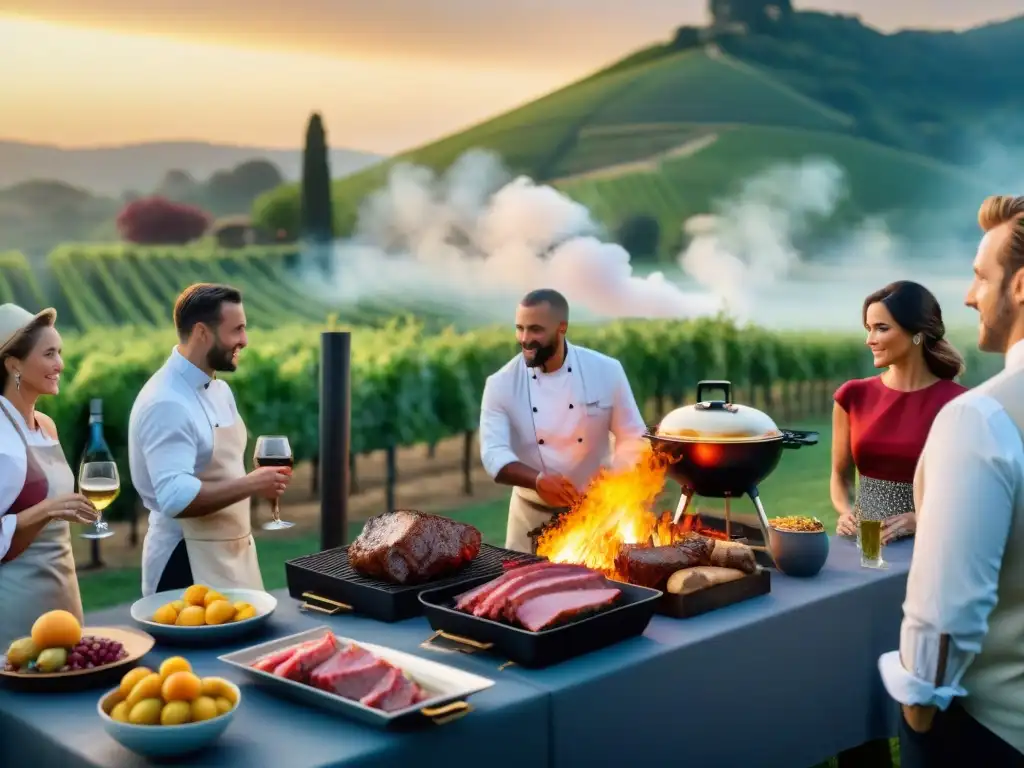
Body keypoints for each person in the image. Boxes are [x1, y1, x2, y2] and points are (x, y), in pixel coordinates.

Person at [878, 195, 1024, 766]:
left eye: (980, 277)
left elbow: (945, 611)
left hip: (992, 733)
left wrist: (918, 709)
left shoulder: (981, 419)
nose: (969, 296)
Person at [129, 284, 291, 597]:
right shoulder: (167, 402)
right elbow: (175, 498)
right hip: (186, 562)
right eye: (237, 330)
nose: (244, 340)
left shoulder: (219, 389)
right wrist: (253, 483)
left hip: (234, 554)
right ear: (203, 333)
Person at [478, 288, 647, 554]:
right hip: (530, 518)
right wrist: (538, 481)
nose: (525, 339)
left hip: (595, 516)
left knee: (603, 589)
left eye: (535, 329)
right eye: (519, 328)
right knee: (524, 591)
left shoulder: (606, 370)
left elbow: (633, 436)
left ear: (562, 327)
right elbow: (493, 454)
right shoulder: (501, 384)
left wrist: (615, 478)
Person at [831, 281, 967, 546]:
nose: (869, 339)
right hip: (863, 540)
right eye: (868, 329)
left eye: (881, 328)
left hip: (931, 541)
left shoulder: (959, 404)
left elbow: (970, 492)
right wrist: (845, 511)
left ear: (917, 332)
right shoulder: (852, 395)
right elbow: (840, 475)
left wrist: (920, 518)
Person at [0, 304, 99, 649]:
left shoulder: (46, 425)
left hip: (63, 595)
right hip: (18, 606)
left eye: (60, 352)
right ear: (14, 364)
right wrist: (47, 510)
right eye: (49, 354)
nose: (60, 364)